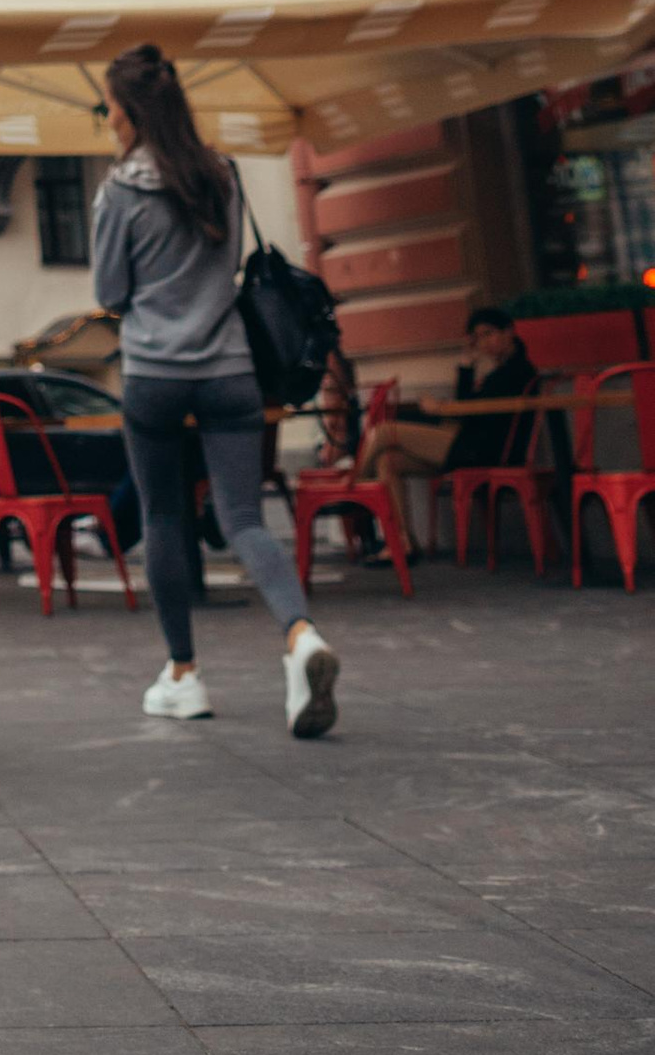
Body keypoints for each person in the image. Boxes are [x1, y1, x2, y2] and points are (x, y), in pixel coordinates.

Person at [92, 42, 341, 738]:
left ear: (130, 110)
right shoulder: (222, 175)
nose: (106, 117)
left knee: (164, 518)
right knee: (246, 520)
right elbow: (227, 266)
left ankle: (183, 675)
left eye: (109, 105)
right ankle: (300, 636)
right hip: (230, 367)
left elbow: (110, 292)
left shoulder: (118, 190)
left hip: (154, 374)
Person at [360, 307, 572, 533]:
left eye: (489, 334)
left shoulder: (517, 370)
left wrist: (439, 408)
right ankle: (401, 541)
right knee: (388, 461)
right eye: (478, 338)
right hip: (470, 445)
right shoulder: (501, 371)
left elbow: (469, 410)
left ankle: (356, 493)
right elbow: (467, 404)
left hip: (484, 450)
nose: (484, 343)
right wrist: (466, 365)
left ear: (509, 332)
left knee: (384, 432)